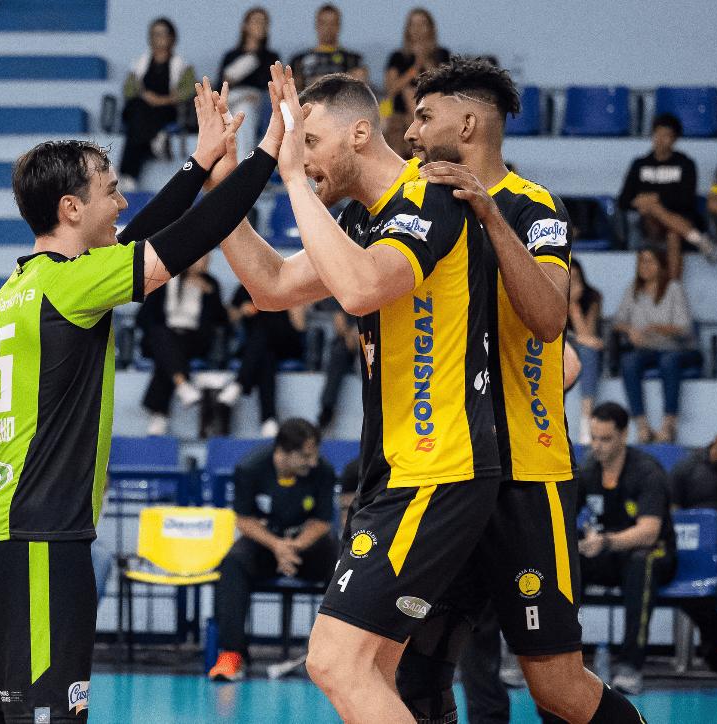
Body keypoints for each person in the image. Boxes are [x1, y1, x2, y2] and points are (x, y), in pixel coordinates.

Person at [0, 73, 286, 724]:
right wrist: (269, 152)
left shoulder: (26, 283)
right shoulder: (71, 285)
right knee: (52, 717)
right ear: (71, 209)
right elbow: (188, 239)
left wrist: (200, 161)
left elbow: (140, 236)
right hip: (40, 536)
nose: (120, 201)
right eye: (110, 191)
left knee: (8, 716)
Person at [216, 65, 499, 724]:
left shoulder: (429, 197)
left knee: (333, 662)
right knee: (370, 670)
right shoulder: (362, 216)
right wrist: (224, 185)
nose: (301, 156)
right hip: (396, 472)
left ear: (361, 134)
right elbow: (272, 287)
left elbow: (364, 288)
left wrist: (288, 178)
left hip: (441, 466)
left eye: (309, 141)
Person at [392, 55, 646, 724]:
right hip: (448, 476)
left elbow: (549, 319)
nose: (412, 133)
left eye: (425, 117)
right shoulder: (418, 210)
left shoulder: (535, 209)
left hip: (526, 481)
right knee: (414, 677)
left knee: (557, 691)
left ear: (469, 123)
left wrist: (488, 216)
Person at [207, 418, 338, 681]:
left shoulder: (322, 470)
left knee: (342, 563)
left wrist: (293, 547)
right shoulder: (249, 468)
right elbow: (243, 520)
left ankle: (338, 655)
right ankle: (232, 656)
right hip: (266, 544)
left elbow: (323, 522)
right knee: (233, 563)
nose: (312, 462)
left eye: (315, 456)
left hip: (306, 546)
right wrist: (277, 546)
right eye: (305, 456)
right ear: (283, 451)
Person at [576, 401, 678, 696]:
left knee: (640, 561)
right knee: (567, 557)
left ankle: (631, 666)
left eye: (605, 439)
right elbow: (565, 513)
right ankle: (561, 656)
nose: (597, 446)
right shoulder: (589, 470)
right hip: (610, 554)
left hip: (657, 554)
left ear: (624, 435)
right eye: (593, 438)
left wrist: (605, 541)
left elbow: (648, 533)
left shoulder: (647, 472)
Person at [617, 113, 717, 277]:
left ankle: (673, 289)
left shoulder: (686, 164)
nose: (660, 139)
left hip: (680, 218)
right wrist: (647, 203)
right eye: (658, 134)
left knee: (672, 232)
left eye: (666, 136)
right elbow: (624, 200)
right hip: (648, 222)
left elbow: (686, 199)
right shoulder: (639, 164)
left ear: (675, 139)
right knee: (653, 209)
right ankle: (700, 240)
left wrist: (655, 199)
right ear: (652, 134)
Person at [136, 253, 228, 435]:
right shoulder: (164, 280)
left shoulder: (211, 285)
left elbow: (221, 321)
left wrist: (210, 296)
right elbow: (143, 318)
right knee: (165, 338)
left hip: (194, 340)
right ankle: (181, 384)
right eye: (202, 258)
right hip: (163, 336)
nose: (206, 263)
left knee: (170, 352)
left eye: (208, 259)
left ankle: (160, 412)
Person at [613, 247, 696, 443]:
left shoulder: (673, 288)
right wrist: (630, 330)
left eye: (650, 261)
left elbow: (685, 328)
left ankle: (669, 425)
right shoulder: (634, 288)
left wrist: (656, 328)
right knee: (629, 360)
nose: (644, 266)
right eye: (641, 261)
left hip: (681, 350)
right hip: (648, 349)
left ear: (661, 265)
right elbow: (617, 321)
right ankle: (642, 425)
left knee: (669, 359)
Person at [668, 419, 717, 671]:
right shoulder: (686, 469)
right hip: (693, 557)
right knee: (684, 577)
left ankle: (716, 643)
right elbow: (671, 518)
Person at [117, 17, 196, 191]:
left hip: (167, 110)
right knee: (137, 109)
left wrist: (163, 100)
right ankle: (152, 145)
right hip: (142, 108)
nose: (158, 37)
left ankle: (127, 176)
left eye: (162, 33)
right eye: (154, 33)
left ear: (172, 38)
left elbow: (190, 90)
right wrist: (146, 96)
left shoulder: (182, 65)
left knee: (141, 121)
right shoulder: (139, 64)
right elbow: (128, 91)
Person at [222, 284, 304, 437]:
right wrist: (242, 311)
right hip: (258, 349)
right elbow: (229, 318)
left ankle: (240, 383)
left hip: (285, 344)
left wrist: (290, 301)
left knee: (264, 330)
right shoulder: (245, 287)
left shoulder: (288, 284)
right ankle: (269, 419)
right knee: (266, 356)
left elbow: (300, 325)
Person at [382, 8, 450, 157]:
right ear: (408, 29)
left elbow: (444, 85)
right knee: (407, 91)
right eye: (413, 25)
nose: (418, 29)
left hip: (432, 111)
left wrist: (426, 61)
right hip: (401, 115)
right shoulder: (397, 57)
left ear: (430, 28)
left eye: (422, 24)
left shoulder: (442, 55)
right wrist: (415, 66)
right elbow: (391, 88)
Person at [216, 7, 280, 161]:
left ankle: (247, 166)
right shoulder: (230, 56)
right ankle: (242, 169)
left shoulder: (270, 57)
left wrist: (254, 58)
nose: (261, 25)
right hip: (233, 101)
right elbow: (220, 87)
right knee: (242, 109)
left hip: (259, 102)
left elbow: (270, 85)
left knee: (248, 110)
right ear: (246, 25)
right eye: (257, 21)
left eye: (264, 23)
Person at [288, 4, 367, 91]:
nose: (328, 27)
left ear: (339, 25)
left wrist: (321, 82)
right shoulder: (299, 60)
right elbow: (293, 90)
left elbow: (362, 86)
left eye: (332, 23)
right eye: (323, 23)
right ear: (316, 24)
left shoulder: (353, 59)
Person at [568, 259, 604, 444]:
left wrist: (574, 307)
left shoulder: (593, 297)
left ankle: (586, 419)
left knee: (589, 353)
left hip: (580, 349)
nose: (572, 283)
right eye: (568, 278)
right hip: (558, 346)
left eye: (576, 278)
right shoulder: (551, 295)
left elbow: (587, 335)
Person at [313, 300, 357, 433]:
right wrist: (350, 335)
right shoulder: (345, 286)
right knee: (338, 350)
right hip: (348, 338)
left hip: (374, 338)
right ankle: (327, 407)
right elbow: (339, 321)